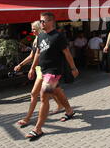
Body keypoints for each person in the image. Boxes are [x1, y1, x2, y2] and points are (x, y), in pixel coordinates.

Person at [25, 12, 79, 140]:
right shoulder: (41, 36)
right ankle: (69, 111)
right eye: (40, 21)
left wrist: (73, 68)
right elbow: (37, 53)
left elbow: (67, 53)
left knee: (44, 96)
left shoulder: (58, 36)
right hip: (43, 71)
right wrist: (32, 68)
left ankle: (38, 129)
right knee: (57, 92)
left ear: (50, 22)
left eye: (43, 21)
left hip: (54, 71)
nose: (41, 23)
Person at [14, 21, 64, 128]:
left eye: (33, 29)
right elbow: (32, 55)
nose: (32, 31)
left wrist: (30, 68)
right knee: (52, 90)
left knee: (34, 93)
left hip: (44, 70)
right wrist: (21, 65)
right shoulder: (36, 39)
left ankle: (28, 118)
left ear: (39, 29)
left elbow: (37, 56)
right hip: (40, 69)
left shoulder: (42, 39)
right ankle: (63, 106)